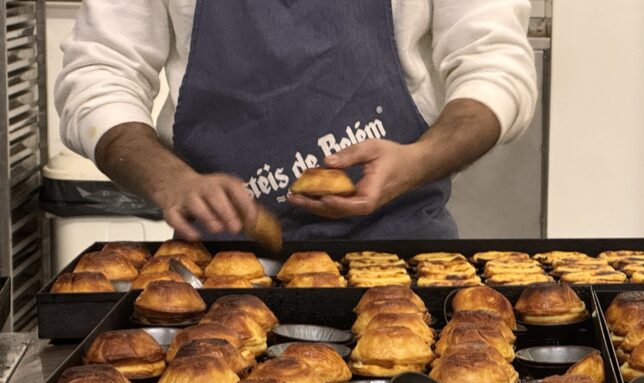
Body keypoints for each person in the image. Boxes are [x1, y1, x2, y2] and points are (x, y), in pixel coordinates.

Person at [55, 1, 537, 241]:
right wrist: (170, 180)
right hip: (218, 275)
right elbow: (98, 75)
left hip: (401, 257)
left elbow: (494, 67)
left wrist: (419, 160)